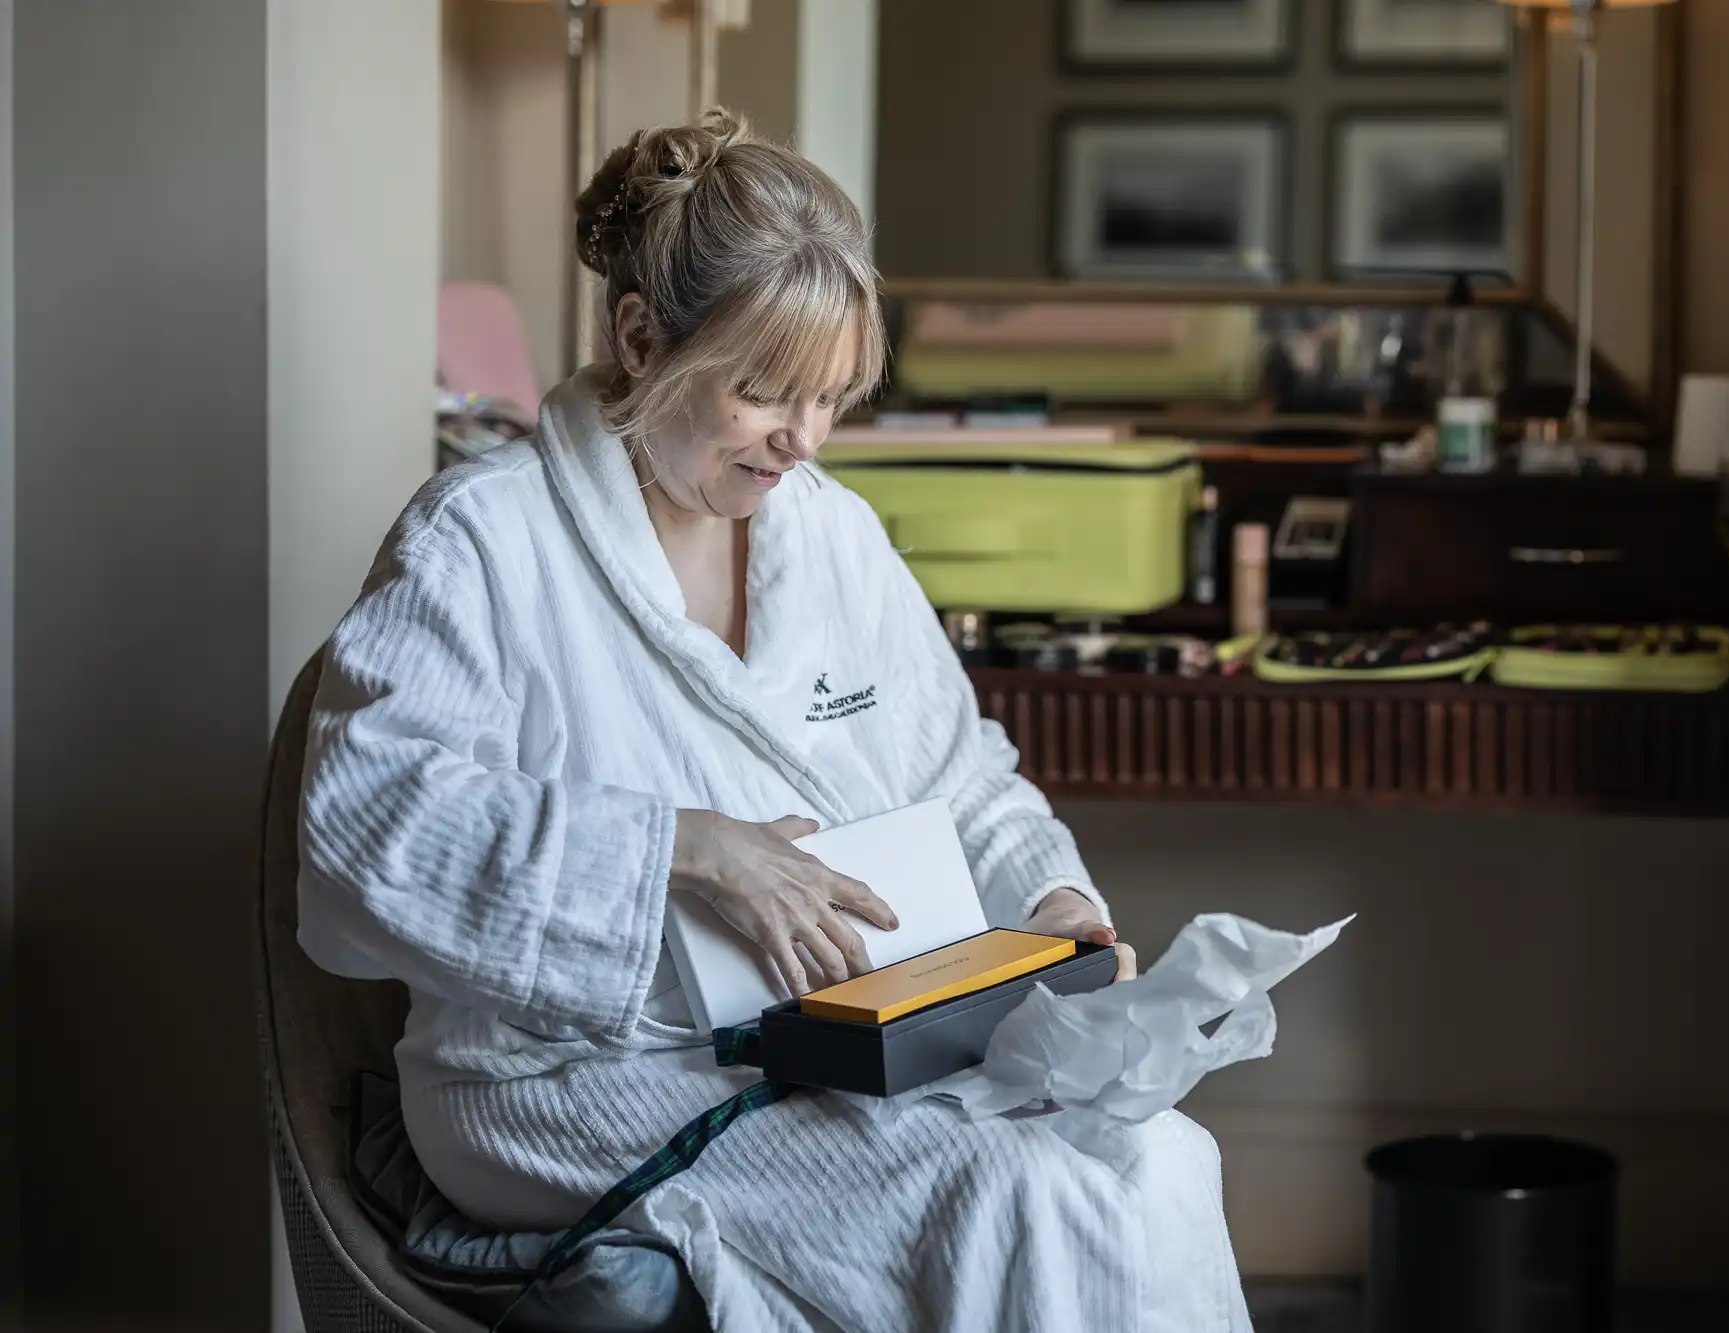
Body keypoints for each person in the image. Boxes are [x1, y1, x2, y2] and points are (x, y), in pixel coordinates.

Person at [297, 109, 1251, 1332]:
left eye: (830, 397)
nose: (801, 441)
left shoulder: (833, 537)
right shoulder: (482, 540)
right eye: (759, 393)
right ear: (640, 338)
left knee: (1160, 1160)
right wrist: (682, 850)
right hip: (566, 1076)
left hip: (848, 1039)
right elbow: (363, 826)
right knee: (1002, 1198)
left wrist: (1049, 901)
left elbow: (963, 781)